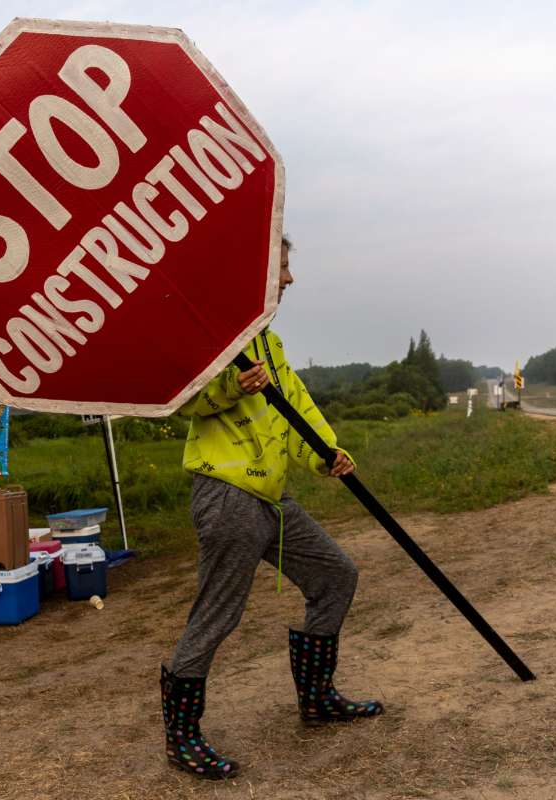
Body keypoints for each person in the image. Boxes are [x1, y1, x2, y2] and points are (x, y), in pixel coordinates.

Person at [161, 237, 383, 781]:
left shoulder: (267, 342)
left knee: (335, 574)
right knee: (219, 614)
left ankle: (317, 698)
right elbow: (181, 398)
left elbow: (296, 406)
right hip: (228, 494)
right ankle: (182, 738)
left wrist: (325, 453)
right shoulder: (215, 339)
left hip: (274, 497)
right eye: (282, 268)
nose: (289, 279)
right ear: (255, 272)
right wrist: (230, 388)